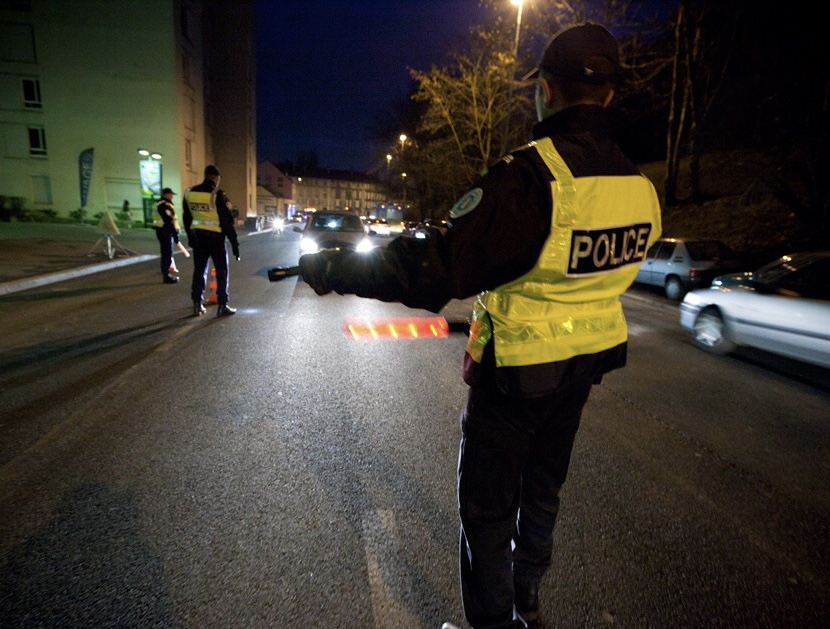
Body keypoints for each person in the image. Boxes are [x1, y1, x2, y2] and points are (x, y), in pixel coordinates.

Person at [298, 22, 662, 629]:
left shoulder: (532, 178)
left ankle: (493, 623)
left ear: (545, 90)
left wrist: (333, 268)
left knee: (487, 513)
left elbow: (436, 268)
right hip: (583, 371)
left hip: (517, 375)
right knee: (543, 494)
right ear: (609, 97)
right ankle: (529, 605)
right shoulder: (639, 186)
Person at [183, 164, 240, 316]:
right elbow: (227, 222)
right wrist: (234, 244)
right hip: (216, 239)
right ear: (215, 178)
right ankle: (222, 305)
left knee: (199, 271)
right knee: (221, 271)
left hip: (199, 238)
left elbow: (186, 217)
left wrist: (190, 237)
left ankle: (197, 304)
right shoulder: (216, 195)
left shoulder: (190, 193)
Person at [153, 187, 181, 284]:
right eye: (171, 194)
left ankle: (166, 274)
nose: (172, 196)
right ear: (165, 194)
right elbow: (169, 221)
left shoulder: (159, 204)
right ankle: (166, 276)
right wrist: (175, 234)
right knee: (167, 254)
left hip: (162, 231)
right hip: (165, 232)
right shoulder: (164, 205)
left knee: (166, 253)